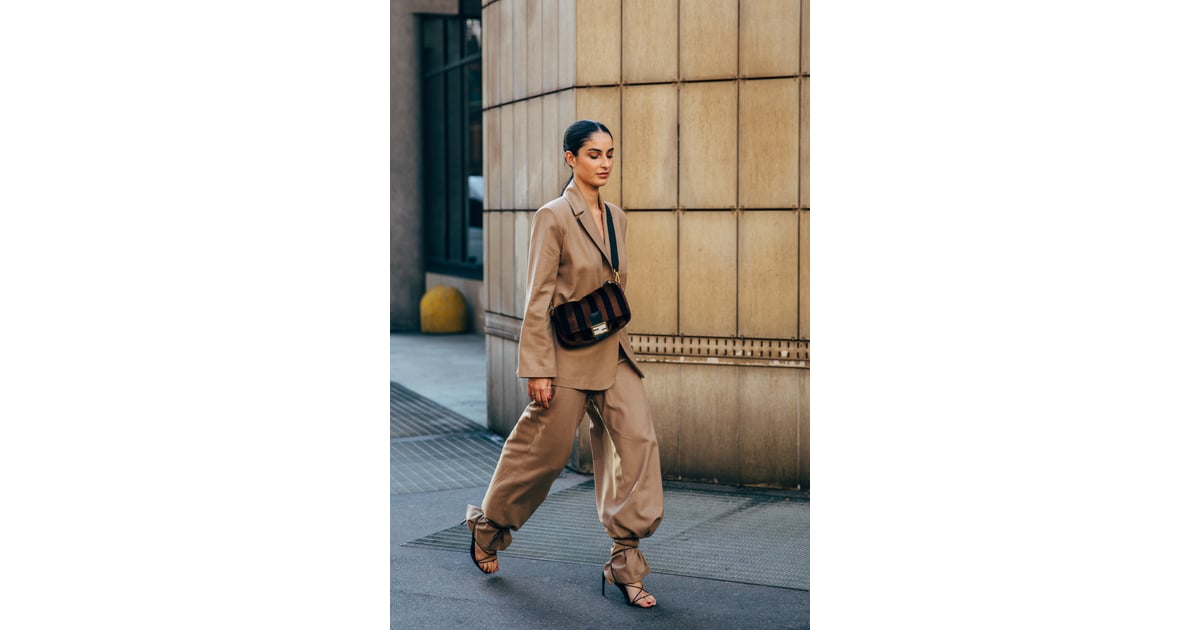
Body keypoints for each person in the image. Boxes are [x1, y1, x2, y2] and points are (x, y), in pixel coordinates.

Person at [464, 120, 664, 608]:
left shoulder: (616, 216)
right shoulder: (552, 216)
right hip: (565, 356)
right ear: (570, 159)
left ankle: (625, 563)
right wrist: (537, 367)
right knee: (544, 455)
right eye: (594, 154)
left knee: (638, 447)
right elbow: (538, 297)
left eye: (611, 154)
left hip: (613, 351)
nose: (606, 163)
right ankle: (489, 527)